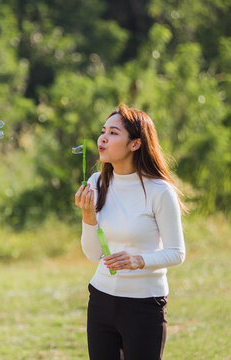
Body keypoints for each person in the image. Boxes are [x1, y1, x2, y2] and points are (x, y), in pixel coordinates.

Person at [74, 104, 186, 360]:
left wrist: (139, 260)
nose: (103, 138)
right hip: (101, 300)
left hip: (144, 305)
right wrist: (88, 216)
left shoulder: (160, 191)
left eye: (113, 133)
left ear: (135, 144)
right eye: (103, 131)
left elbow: (177, 253)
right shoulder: (96, 183)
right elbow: (93, 255)